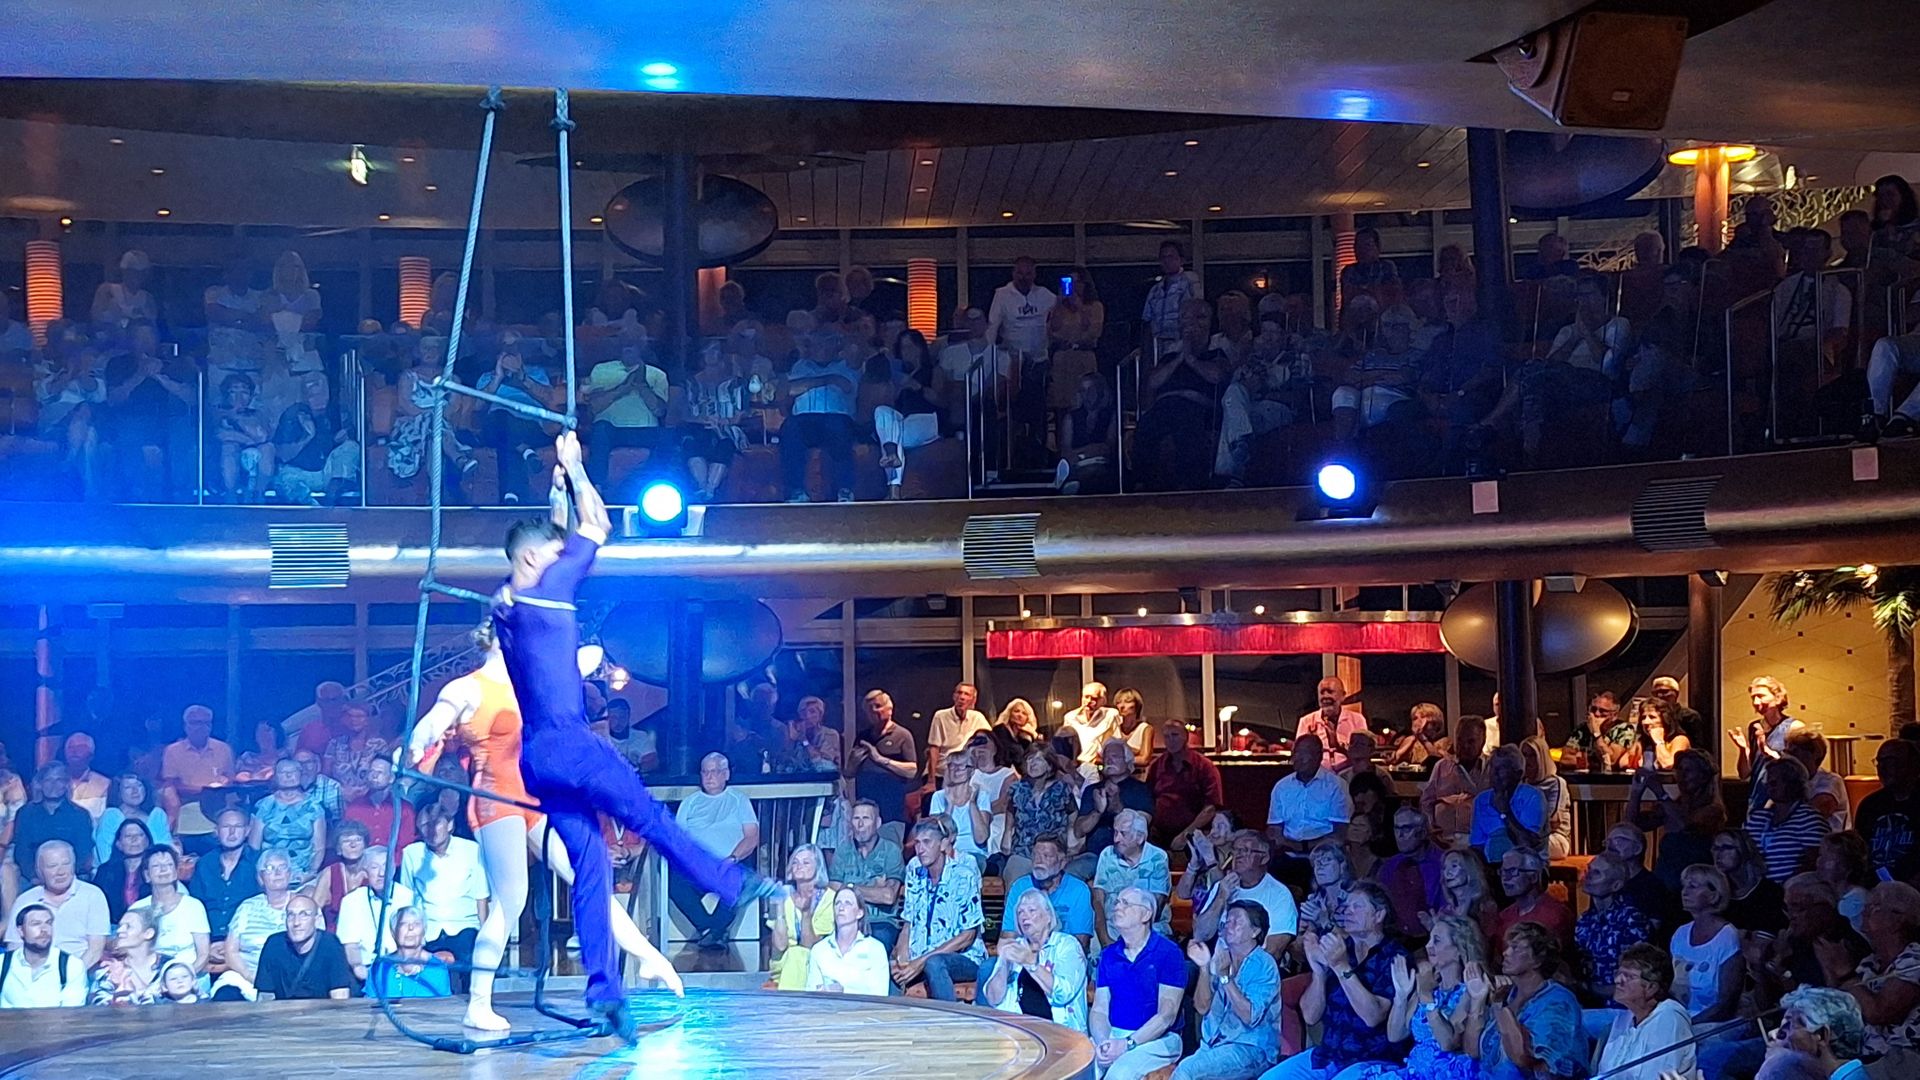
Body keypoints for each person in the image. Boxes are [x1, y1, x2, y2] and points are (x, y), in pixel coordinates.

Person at [490, 432, 773, 1038]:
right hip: (573, 744)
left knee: (590, 870)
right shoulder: (551, 590)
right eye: (554, 554)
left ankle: (604, 992)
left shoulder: (507, 604)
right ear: (536, 559)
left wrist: (554, 495)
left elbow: (556, 536)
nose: (564, 559)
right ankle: (730, 882)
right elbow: (596, 525)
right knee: (651, 819)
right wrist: (576, 468)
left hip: (537, 758)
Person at [1259, 882, 1408, 1080]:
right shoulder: (1342, 948)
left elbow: (1373, 1016)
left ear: (1379, 915)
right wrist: (1318, 972)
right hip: (1328, 1055)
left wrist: (1341, 967)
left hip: (1372, 1058)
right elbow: (1310, 1016)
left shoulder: (1394, 956)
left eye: (1357, 906)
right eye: (1347, 906)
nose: (1348, 912)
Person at [1814, 880, 1920, 1068]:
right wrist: (1829, 966)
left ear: (1898, 919)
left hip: (1902, 1060)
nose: (1864, 911)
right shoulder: (1869, 963)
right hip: (1864, 1058)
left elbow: (1881, 1013)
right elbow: (1839, 1011)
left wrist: (1845, 973)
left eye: (1874, 906)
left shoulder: (1914, 959)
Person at [1176, 900, 1281, 1080]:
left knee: (1186, 1071)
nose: (1228, 926)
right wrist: (1204, 967)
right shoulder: (1221, 956)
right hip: (1213, 1045)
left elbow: (1250, 1017)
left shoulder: (1264, 965)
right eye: (1227, 921)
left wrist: (1225, 978)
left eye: (1236, 921)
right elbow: (1201, 1007)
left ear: (1255, 931)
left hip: (1250, 1049)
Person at [1091, 886, 1187, 1080]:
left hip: (1158, 1039)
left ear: (1146, 914)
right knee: (1080, 1066)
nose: (1117, 907)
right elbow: (1099, 1010)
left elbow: (1166, 1016)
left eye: (1126, 903)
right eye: (1117, 902)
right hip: (1116, 1034)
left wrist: (1127, 1044)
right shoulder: (1109, 955)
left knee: (1119, 1074)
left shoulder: (1168, 953)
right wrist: (1104, 1043)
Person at [1467, 921, 1583, 1080]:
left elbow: (1524, 1059)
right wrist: (1477, 1000)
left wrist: (1501, 1007)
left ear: (1538, 959)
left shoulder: (1558, 1001)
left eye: (1515, 948)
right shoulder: (1508, 994)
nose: (1506, 953)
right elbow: (1472, 1051)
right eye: (1507, 947)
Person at [393, 802, 487, 994]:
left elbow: (481, 895)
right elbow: (407, 897)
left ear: (450, 825)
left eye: (436, 824)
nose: (431, 830)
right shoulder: (412, 853)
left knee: (469, 964)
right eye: (425, 825)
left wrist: (485, 935)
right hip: (429, 929)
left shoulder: (472, 850)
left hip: (465, 926)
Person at [891, 818, 985, 1000]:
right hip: (920, 955)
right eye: (917, 843)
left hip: (961, 958)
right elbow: (908, 923)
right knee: (890, 967)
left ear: (942, 844)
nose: (920, 849)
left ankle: (947, 1014)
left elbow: (968, 935)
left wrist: (922, 960)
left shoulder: (963, 876)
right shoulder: (915, 873)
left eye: (927, 842)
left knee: (934, 963)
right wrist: (902, 957)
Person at [983, 887, 1091, 1033]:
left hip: (1060, 1033)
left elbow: (1064, 994)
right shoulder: (1015, 947)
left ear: (1048, 916)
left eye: (1031, 910)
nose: (1024, 916)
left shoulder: (1067, 945)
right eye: (1020, 912)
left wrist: (1030, 963)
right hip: (1016, 1031)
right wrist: (1004, 963)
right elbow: (993, 998)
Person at [1593, 941, 1699, 1080]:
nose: (1618, 980)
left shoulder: (1670, 1018)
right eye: (1618, 973)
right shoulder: (1624, 1017)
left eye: (1628, 976)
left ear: (1651, 987)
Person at [780, 329, 860, 502]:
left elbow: (846, 385)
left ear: (835, 346)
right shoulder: (801, 366)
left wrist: (809, 384)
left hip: (837, 418)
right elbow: (791, 389)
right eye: (816, 344)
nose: (820, 348)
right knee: (790, 426)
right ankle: (797, 491)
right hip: (805, 421)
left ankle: (845, 490)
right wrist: (827, 380)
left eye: (825, 344)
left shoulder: (845, 366)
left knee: (837, 425)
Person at [1191, 830, 1298, 959]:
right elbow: (1200, 935)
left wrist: (1238, 969)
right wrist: (1221, 897)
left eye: (1245, 850)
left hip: (1254, 967)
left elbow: (1273, 951)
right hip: (1215, 963)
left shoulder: (1280, 895)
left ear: (1264, 858)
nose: (1238, 855)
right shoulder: (1222, 886)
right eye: (1235, 850)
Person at [1632, 749, 1727, 892]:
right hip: (1664, 883)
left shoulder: (1713, 810)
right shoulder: (1674, 806)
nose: (1682, 776)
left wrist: (1660, 792)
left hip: (1693, 886)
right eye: (1679, 770)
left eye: (1688, 770)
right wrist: (1636, 792)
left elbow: (1684, 826)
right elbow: (1634, 825)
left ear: (1703, 776)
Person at [4, 842, 109, 969]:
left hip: (81, 970)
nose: (61, 872)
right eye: (52, 866)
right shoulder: (25, 900)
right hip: (34, 973)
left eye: (66, 864)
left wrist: (70, 975)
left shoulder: (93, 895)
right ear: (39, 871)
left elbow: (95, 950)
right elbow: (15, 948)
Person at [1266, 733, 1352, 886]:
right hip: (1287, 855)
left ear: (1319, 756)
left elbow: (1340, 833)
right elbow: (1274, 829)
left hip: (1325, 856)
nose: (1297, 758)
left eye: (1304, 753)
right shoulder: (1282, 787)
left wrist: (1306, 846)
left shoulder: (1336, 786)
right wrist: (1291, 845)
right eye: (1295, 753)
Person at [826, 799, 906, 957]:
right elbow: (833, 889)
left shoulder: (891, 851)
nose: (860, 824)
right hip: (847, 920)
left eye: (866, 818)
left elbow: (888, 896)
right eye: (856, 818)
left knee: (872, 950)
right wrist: (875, 889)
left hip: (881, 921)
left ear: (877, 823)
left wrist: (850, 887)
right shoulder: (843, 851)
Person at [1573, 851, 1656, 1002]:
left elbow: (1639, 979)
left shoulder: (1632, 920)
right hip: (1589, 1001)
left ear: (1616, 885)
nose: (1588, 876)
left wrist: (1591, 989)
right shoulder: (1585, 920)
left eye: (1597, 873)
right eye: (1589, 869)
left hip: (1623, 1005)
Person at [1672, 863, 1744, 1025]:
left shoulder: (1728, 938)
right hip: (1680, 1018)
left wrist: (1688, 1025)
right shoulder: (1680, 934)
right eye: (1684, 886)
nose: (1685, 892)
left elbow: (1726, 1004)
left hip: (1713, 1024)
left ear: (1714, 895)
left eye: (1693, 886)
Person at [1001, 834, 1097, 952]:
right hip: (1025, 955)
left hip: (1063, 957)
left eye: (1046, 856)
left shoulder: (1079, 890)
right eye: (1035, 856)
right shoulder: (1019, 887)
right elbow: (1008, 938)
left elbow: (1080, 944)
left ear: (1062, 862)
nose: (1038, 862)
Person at [1002, 742, 1081, 883]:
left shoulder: (1061, 790)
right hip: (1023, 851)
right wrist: (1006, 845)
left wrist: (1071, 848)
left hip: (1052, 852)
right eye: (1029, 759)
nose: (1032, 763)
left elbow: (1072, 820)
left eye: (1038, 759)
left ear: (1049, 766)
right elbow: (1009, 823)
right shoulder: (1017, 790)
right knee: (1015, 871)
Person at [161, 705, 235, 855]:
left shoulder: (224, 749)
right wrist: (203, 790)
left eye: (206, 723)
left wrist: (221, 786)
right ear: (185, 726)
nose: (201, 727)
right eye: (196, 723)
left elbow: (230, 781)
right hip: (186, 814)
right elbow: (171, 784)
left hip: (217, 814)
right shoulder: (173, 751)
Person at [1075, 738, 1154, 878]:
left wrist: (1117, 805)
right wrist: (1097, 812)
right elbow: (1079, 831)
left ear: (1128, 762)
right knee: (1070, 874)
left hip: (1129, 857)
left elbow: (1142, 825)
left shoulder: (1141, 790)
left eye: (1115, 756)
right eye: (1106, 757)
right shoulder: (1092, 790)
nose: (1109, 760)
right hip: (1094, 856)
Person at [1094, 809, 1173, 947]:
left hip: (1146, 927)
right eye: (1115, 832)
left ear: (1140, 838)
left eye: (1123, 834)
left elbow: (1156, 906)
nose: (1116, 839)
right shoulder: (1107, 855)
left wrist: (1129, 941)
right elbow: (1098, 900)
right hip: (1112, 926)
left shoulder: (1157, 858)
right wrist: (1104, 936)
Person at [334, 845, 413, 982]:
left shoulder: (407, 897)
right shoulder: (351, 901)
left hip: (401, 966)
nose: (381, 873)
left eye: (385, 866)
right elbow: (350, 945)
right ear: (365, 872)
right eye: (374, 867)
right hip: (366, 969)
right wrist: (359, 969)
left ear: (393, 869)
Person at [1748, 756, 1833, 883]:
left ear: (1793, 783)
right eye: (1768, 782)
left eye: (1775, 782)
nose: (1770, 786)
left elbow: (1814, 863)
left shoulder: (1810, 820)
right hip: (1754, 887)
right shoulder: (1757, 818)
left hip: (1794, 888)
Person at [253, 894, 353, 1001]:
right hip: (282, 1010)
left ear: (317, 920)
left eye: (304, 915)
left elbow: (340, 996)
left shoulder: (330, 945)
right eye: (291, 915)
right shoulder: (274, 945)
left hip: (321, 1011)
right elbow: (265, 996)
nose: (296, 922)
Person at [128, 847, 210, 976]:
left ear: (176, 872)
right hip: (149, 978)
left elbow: (203, 954)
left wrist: (183, 978)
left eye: (169, 865)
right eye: (156, 866)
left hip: (189, 977)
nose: (163, 869)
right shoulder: (137, 909)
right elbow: (132, 953)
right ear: (147, 875)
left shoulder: (194, 906)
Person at [1734, 676, 1809, 815]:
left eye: (1761, 696)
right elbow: (1744, 774)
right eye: (1753, 698)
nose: (1756, 702)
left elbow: (1799, 770)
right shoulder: (1754, 727)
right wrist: (1743, 749)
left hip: (1783, 801)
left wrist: (1766, 750)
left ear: (1778, 698)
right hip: (1757, 799)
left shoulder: (1794, 727)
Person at [10, 764, 96, 882]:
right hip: (33, 877)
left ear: (66, 784)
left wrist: (65, 877)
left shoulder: (80, 815)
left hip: (71, 876)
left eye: (59, 780)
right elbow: (22, 850)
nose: (53, 785)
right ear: (40, 784)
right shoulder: (26, 813)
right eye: (48, 780)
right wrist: (34, 877)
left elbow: (83, 851)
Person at [1147, 718, 1225, 848]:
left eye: (1175, 735)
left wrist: (1186, 835)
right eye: (1166, 736)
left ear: (1186, 736)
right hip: (1158, 834)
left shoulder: (1204, 766)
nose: (1171, 740)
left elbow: (1211, 808)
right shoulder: (1157, 765)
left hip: (1195, 834)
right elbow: (1148, 800)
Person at [187, 809, 258, 947]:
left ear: (247, 831)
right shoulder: (204, 864)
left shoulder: (257, 862)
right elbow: (195, 905)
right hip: (207, 940)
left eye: (238, 826)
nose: (232, 832)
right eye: (226, 826)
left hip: (246, 939)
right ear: (216, 831)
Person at [848, 689, 919, 828]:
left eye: (878, 706)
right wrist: (853, 762)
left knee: (890, 838)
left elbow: (912, 771)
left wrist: (880, 759)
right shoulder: (863, 736)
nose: (874, 711)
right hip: (866, 804)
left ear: (890, 709)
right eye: (869, 709)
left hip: (892, 805)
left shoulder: (902, 735)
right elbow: (849, 773)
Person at [251, 755, 326, 884]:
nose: (288, 775)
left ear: (301, 774)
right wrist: (260, 876)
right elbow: (254, 847)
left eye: (293, 771)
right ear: (275, 777)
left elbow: (319, 848)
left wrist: (311, 874)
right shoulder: (263, 805)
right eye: (283, 772)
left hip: (303, 874)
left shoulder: (314, 807)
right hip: (270, 873)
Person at [804, 887, 890, 995]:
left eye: (848, 903)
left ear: (859, 913)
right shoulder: (819, 949)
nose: (841, 908)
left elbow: (880, 995)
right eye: (837, 903)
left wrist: (843, 993)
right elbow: (811, 994)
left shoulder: (875, 949)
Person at [769, 844, 833, 990]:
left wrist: (805, 913)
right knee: (794, 956)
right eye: (795, 862)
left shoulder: (829, 899)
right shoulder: (784, 895)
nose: (799, 866)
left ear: (818, 867)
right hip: (784, 964)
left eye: (806, 862)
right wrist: (780, 907)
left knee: (798, 954)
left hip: (815, 963)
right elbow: (780, 945)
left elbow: (810, 945)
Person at [1490, 848, 1575, 956]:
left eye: (1513, 871)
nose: (1505, 878)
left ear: (1534, 877)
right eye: (1502, 872)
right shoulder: (1504, 916)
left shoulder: (1555, 915)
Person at [0, 904, 88, 1008]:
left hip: (57, 1019)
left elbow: (72, 1012)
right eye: (35, 924)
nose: (44, 929)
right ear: (21, 931)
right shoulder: (2, 963)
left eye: (48, 923)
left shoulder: (72, 966)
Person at [1422, 714, 1490, 846]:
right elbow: (1426, 802)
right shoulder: (1441, 766)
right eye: (1460, 740)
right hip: (1444, 841)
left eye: (1471, 741)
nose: (1464, 746)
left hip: (1480, 841)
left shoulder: (1492, 767)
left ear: (1483, 741)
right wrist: (1431, 828)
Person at [1379, 805, 1445, 938]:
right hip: (1394, 936)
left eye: (1406, 829)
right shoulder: (1390, 866)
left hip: (1435, 934)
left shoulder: (1443, 863)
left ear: (1422, 832)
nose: (1400, 835)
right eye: (1396, 828)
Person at [1469, 746, 1544, 864]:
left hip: (1524, 866)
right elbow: (1477, 846)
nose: (1494, 773)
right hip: (1490, 866)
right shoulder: (1481, 800)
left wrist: (1505, 812)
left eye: (1502, 768)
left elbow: (1527, 844)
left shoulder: (1532, 797)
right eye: (1492, 767)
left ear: (1518, 774)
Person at [368, 906, 453, 999]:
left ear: (424, 931)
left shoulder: (437, 968)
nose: (411, 928)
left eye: (416, 924)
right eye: (403, 924)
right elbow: (369, 1005)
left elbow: (445, 1005)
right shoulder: (380, 968)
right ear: (393, 932)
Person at [342, 757, 415, 865]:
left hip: (392, 867)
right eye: (371, 771)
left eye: (380, 772)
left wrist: (387, 863)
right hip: (360, 866)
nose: (374, 775)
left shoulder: (404, 809)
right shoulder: (355, 807)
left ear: (391, 778)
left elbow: (406, 846)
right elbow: (347, 841)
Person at [92, 774, 172, 871]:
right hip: (115, 873)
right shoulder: (111, 816)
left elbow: (166, 849)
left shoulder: (157, 815)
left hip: (155, 871)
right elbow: (105, 856)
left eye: (139, 785)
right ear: (119, 792)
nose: (135, 791)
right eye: (128, 787)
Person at [89, 907, 165, 1006]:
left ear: (148, 934)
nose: (119, 930)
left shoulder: (168, 967)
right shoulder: (109, 969)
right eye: (120, 926)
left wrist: (136, 989)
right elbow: (96, 1006)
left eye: (128, 926)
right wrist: (117, 995)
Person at [1143, 240, 1203, 348]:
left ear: (1181, 260)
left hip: (1182, 346)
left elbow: (1197, 313)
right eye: (1163, 257)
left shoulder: (1190, 281)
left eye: (1171, 257)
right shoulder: (1154, 290)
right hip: (1158, 348)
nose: (1166, 261)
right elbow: (1147, 321)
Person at [1789, 731, 1854, 831]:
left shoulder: (1831, 781)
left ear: (1814, 754)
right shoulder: (1792, 780)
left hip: (1827, 838)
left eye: (1794, 752)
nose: (1788, 757)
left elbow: (1812, 814)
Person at [91, 818, 153, 922]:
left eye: (140, 835)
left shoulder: (155, 869)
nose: (134, 839)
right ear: (118, 844)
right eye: (128, 836)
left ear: (148, 841)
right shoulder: (105, 871)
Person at [926, 682, 989, 780]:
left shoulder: (978, 717)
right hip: (943, 772)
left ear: (973, 700)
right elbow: (934, 749)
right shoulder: (940, 716)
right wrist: (931, 780)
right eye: (959, 693)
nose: (962, 697)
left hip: (967, 773)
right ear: (954, 696)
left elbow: (990, 742)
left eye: (967, 694)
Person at [1298, 840, 1359, 941]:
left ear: (1342, 866)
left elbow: (1357, 941)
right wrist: (1301, 932)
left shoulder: (1356, 898)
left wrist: (1324, 921)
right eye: (1316, 862)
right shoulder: (1315, 900)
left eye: (1327, 860)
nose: (1319, 866)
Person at [1435, 849, 1500, 938]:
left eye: (1454, 866)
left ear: (1470, 869)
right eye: (1444, 868)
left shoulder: (1486, 908)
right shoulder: (1445, 912)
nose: (1447, 873)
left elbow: (1488, 941)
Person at [1820, 832, 1877, 933]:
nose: (1819, 861)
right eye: (1820, 855)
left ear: (1845, 865)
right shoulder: (1832, 896)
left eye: (1827, 857)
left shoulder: (1856, 901)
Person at [1063, 683, 1122, 770]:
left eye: (1094, 698)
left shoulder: (1110, 715)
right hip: (1075, 767)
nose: (1088, 701)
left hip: (1098, 767)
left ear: (1103, 701)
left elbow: (1115, 744)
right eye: (1086, 697)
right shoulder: (1070, 717)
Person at [1651, 676, 1713, 752]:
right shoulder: (1649, 716)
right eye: (1655, 693)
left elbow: (1697, 746)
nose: (1659, 696)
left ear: (1676, 693)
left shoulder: (1689, 716)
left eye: (1664, 692)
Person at [1111, 689, 1157, 772]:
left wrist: (1118, 755)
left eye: (1127, 702)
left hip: (1136, 776)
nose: (1122, 706)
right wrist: (1135, 752)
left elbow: (1144, 760)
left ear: (1137, 705)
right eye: (1118, 702)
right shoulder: (1112, 727)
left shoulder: (1145, 729)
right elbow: (1103, 756)